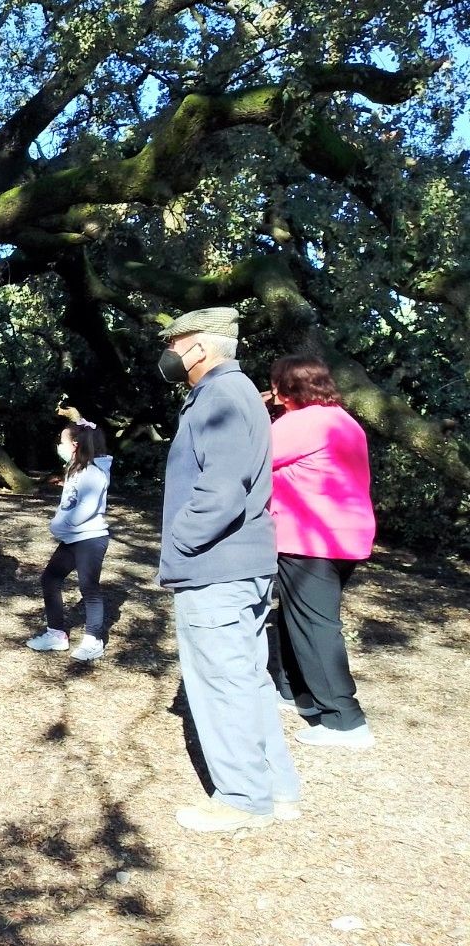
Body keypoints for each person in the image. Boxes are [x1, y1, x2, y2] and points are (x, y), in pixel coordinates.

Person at [157, 306, 300, 833]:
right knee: (248, 681)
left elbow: (221, 490)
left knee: (221, 683)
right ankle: (276, 790)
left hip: (216, 565)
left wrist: (180, 546)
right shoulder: (236, 395)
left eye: (177, 344)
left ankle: (241, 798)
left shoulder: (221, 395)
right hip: (241, 563)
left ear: (199, 348)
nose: (170, 354)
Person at [266, 355, 377, 749]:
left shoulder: (300, 422)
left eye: (276, 384)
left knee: (315, 625)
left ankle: (345, 721)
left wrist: (260, 412)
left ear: (286, 387)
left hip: (309, 538)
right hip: (347, 536)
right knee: (297, 617)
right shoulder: (345, 421)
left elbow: (254, 458)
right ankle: (296, 693)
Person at [26, 419, 112, 662]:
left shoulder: (93, 473)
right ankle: (56, 633)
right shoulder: (75, 469)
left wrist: (59, 524)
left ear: (74, 444)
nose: (59, 445)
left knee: (89, 588)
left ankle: (93, 640)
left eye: (61, 441)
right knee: (50, 579)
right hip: (73, 539)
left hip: (90, 539)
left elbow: (85, 509)